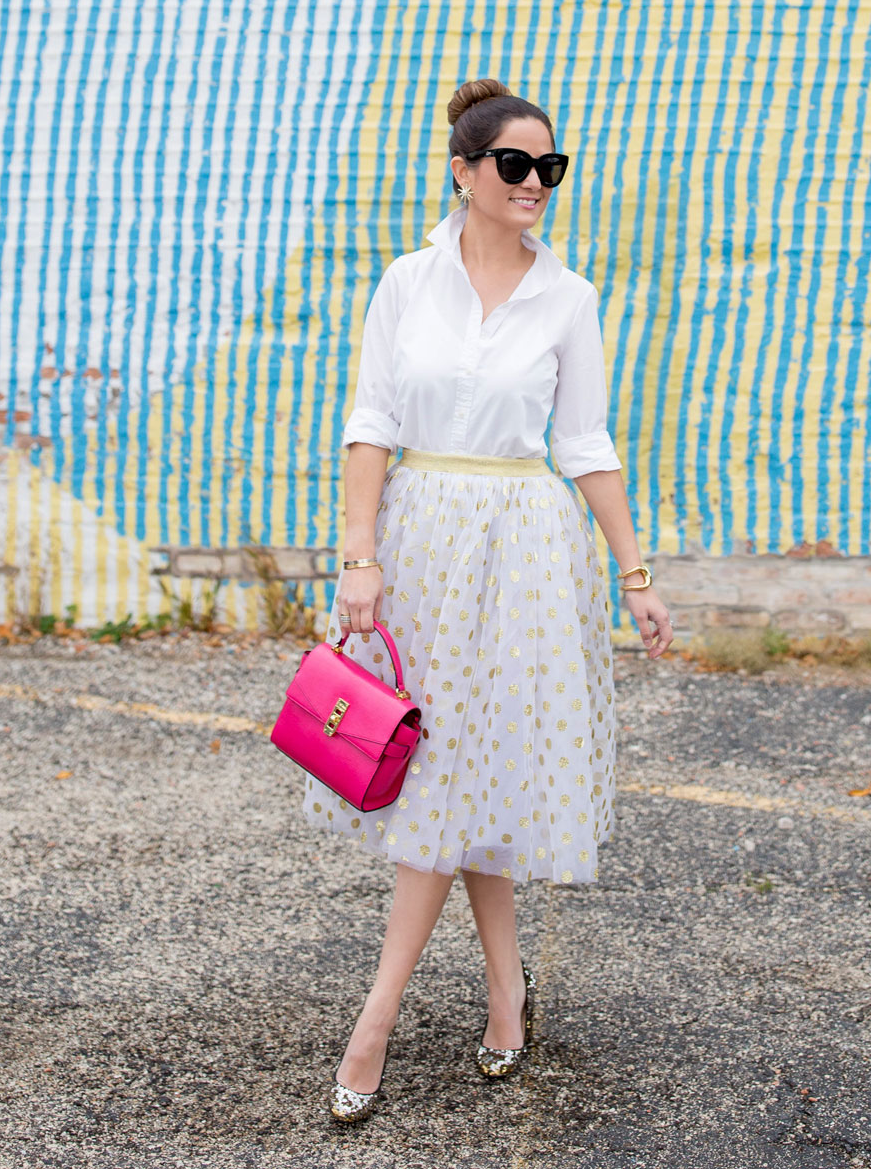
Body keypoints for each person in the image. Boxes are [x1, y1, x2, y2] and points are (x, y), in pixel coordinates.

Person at [304, 78, 673, 1123]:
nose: (534, 184)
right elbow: (371, 419)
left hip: (524, 551)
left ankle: (376, 1020)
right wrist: (359, 553)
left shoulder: (569, 296)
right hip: (420, 544)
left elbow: (585, 446)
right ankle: (503, 995)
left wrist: (634, 575)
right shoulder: (406, 282)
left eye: (548, 167)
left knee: (469, 778)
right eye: (513, 164)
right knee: (443, 777)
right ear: (464, 170)